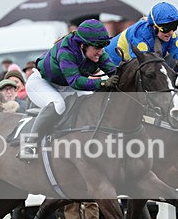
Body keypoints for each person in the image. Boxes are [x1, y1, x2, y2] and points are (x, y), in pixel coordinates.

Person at [24, 19, 119, 152]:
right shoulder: (66, 51)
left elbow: (114, 70)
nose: (100, 52)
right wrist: (102, 83)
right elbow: (75, 81)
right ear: (83, 45)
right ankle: (29, 144)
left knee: (89, 99)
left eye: (102, 48)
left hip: (64, 84)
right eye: (97, 48)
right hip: (41, 83)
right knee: (58, 104)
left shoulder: (96, 52)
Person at [105, 2, 178, 71]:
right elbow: (143, 66)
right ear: (154, 26)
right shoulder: (140, 36)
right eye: (166, 28)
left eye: (174, 27)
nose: (171, 32)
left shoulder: (169, 34)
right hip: (111, 61)